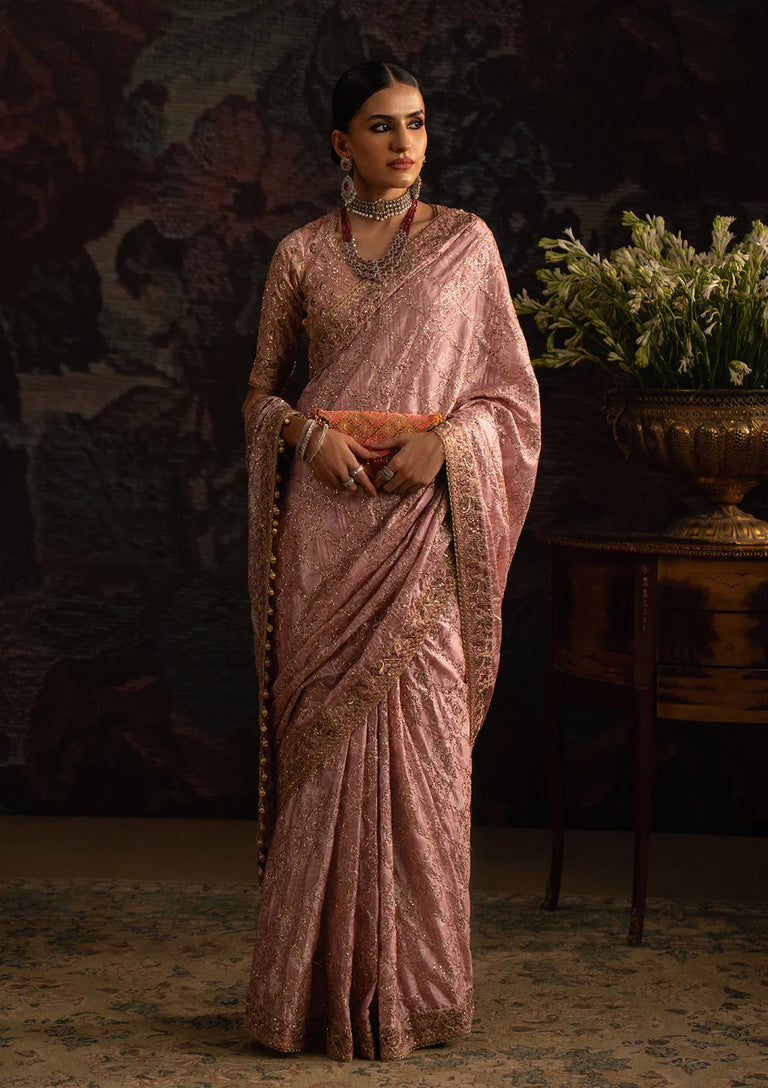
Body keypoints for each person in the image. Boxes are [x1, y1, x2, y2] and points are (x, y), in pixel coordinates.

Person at [242, 61, 541, 1063]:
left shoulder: (466, 246)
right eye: (380, 127)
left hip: (424, 521)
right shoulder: (299, 256)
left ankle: (415, 991)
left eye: (415, 124)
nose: (404, 142)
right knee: (324, 759)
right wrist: (298, 433)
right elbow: (255, 397)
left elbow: (510, 397)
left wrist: (449, 444)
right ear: (340, 142)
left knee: (421, 751)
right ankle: (307, 1000)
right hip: (330, 524)